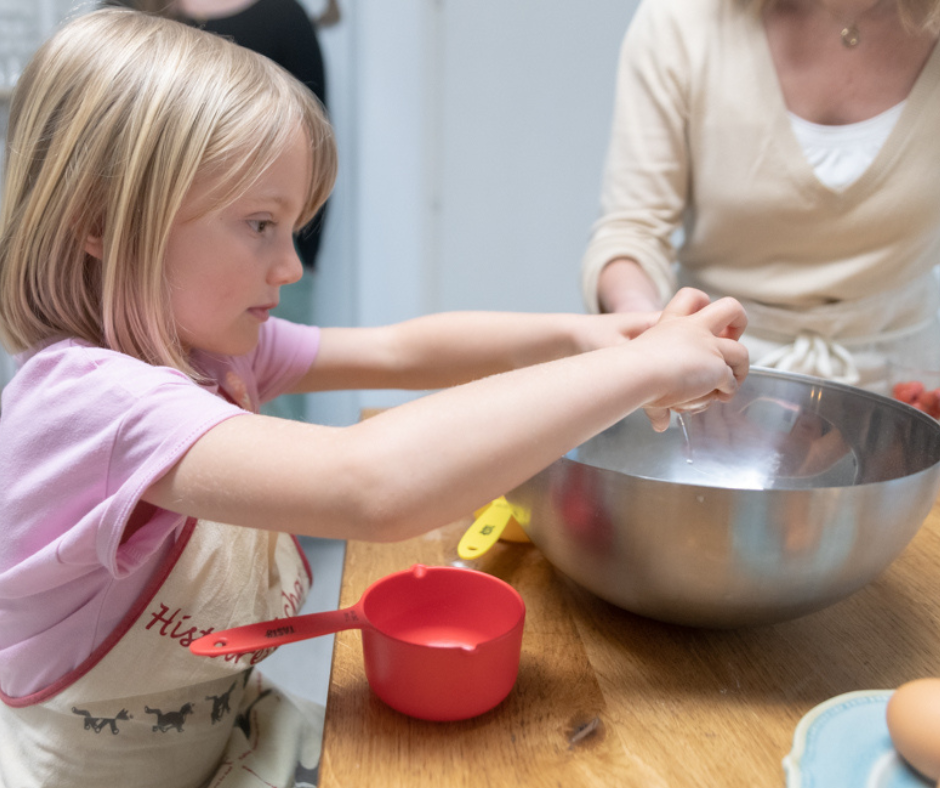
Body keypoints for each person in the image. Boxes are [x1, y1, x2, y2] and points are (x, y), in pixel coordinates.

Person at [0, 9, 748, 787]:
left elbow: (400, 349)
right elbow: (371, 484)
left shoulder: (211, 355)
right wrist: (637, 373)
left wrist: (579, 336)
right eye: (260, 224)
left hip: (208, 745)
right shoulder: (90, 405)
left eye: (292, 228)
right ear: (101, 222)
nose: (289, 265)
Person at [581, 0, 940, 394]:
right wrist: (651, 330)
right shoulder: (681, 20)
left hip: (911, 390)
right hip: (714, 382)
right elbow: (632, 232)